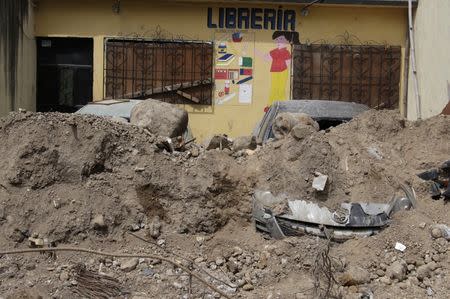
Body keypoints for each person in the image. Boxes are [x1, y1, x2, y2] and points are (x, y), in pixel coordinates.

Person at [258, 31, 300, 107]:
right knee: (274, 88)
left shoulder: (286, 52)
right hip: (274, 71)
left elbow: (288, 62)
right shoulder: (274, 51)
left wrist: (282, 67)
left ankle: (282, 105)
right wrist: (258, 52)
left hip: (283, 71)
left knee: (281, 88)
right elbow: (267, 57)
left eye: (281, 39)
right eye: (277, 39)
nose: (278, 41)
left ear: (287, 40)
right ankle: (270, 105)